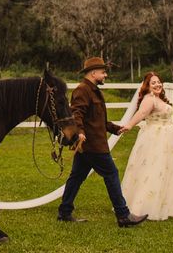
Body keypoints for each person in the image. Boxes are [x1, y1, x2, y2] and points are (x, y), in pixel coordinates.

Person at [58, 57, 148, 227]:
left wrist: (115, 128)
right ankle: (123, 216)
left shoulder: (92, 90)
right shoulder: (83, 90)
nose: (105, 75)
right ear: (93, 73)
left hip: (90, 144)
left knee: (76, 177)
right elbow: (76, 114)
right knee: (111, 174)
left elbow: (97, 120)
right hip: (92, 145)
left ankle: (64, 212)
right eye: (103, 72)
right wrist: (81, 133)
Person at [118, 72, 173, 220]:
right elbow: (141, 113)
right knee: (155, 169)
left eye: (159, 82)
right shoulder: (149, 99)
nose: (157, 85)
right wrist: (129, 125)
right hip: (156, 139)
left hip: (168, 141)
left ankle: (171, 204)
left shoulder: (159, 99)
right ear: (147, 86)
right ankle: (146, 205)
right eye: (153, 83)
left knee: (170, 169)